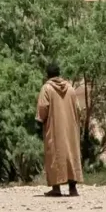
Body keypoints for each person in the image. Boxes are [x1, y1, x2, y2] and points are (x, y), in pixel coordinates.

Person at [35, 62, 83, 197]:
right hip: (71, 129)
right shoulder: (71, 89)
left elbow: (42, 108)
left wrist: (39, 122)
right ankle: (73, 188)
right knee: (71, 154)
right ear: (59, 73)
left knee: (54, 155)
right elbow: (78, 109)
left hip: (54, 129)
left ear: (47, 75)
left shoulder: (47, 88)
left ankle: (56, 188)